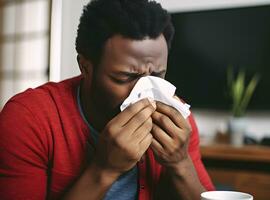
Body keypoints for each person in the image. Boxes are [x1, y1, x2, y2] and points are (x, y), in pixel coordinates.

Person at [0, 0, 214, 199]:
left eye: (157, 76)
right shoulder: (28, 119)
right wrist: (104, 169)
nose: (145, 92)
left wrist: (180, 163)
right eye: (126, 77)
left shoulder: (176, 120)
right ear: (85, 67)